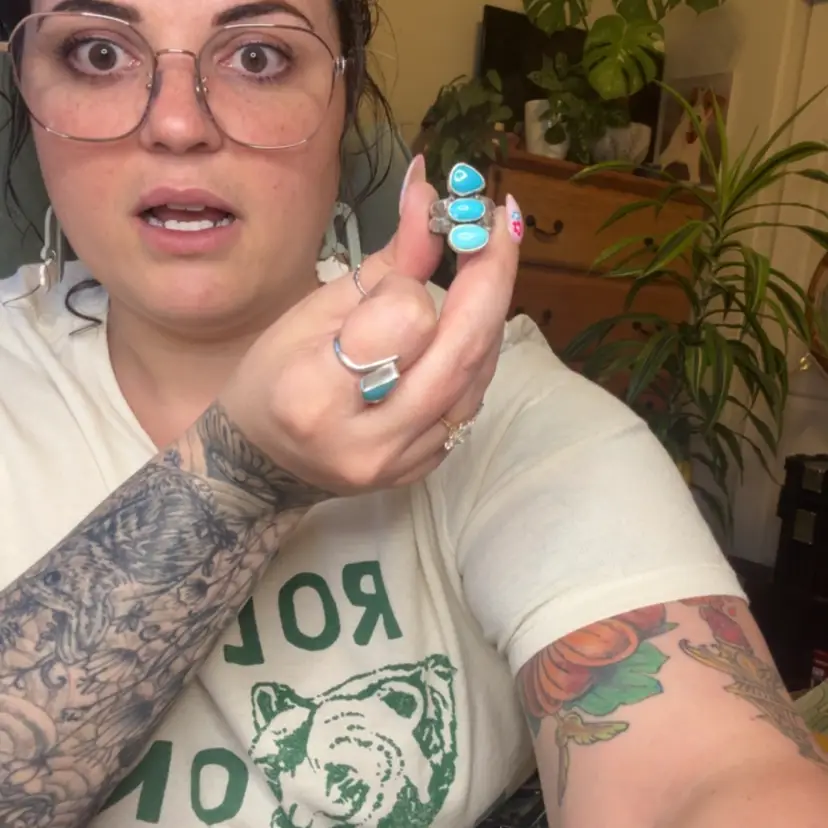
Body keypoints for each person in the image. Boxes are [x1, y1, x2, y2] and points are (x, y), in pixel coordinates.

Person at [0, 1, 825, 826]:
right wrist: (240, 471)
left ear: (345, 98)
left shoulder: (501, 404)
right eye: (97, 53)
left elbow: (708, 774)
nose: (178, 125)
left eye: (256, 57)